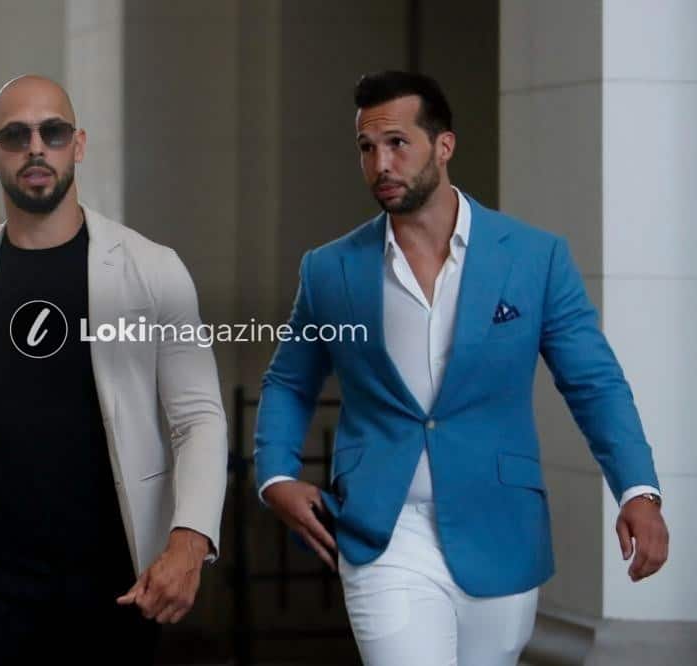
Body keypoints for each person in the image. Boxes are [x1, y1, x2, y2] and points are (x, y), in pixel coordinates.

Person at [254, 71, 669, 665]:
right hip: (383, 530)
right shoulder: (330, 270)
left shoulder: (533, 258)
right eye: (367, 148)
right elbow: (290, 381)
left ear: (443, 146)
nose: (380, 164)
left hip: (499, 527)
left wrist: (638, 490)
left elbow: (594, 382)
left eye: (398, 143)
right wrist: (275, 475)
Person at [0, 75, 228, 665]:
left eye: (52, 132)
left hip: (114, 582)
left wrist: (190, 540)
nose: (36, 148)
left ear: (77, 144)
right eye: (15, 135)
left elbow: (199, 419)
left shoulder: (152, 270)